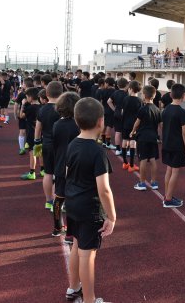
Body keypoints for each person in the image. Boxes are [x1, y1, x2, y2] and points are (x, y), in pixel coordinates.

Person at [65, 97, 116, 303]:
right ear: (100, 122)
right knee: (88, 254)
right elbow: (104, 189)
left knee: (77, 245)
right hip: (89, 208)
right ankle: (89, 299)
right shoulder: (98, 152)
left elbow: (68, 173)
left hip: (73, 204)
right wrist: (111, 216)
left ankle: (73, 287)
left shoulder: (72, 144)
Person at [51, 92, 81, 240]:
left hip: (60, 165)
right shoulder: (78, 126)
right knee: (72, 200)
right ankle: (70, 232)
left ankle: (57, 227)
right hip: (75, 166)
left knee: (59, 198)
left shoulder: (57, 125)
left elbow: (55, 146)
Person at [35, 81, 63, 211]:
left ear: (46, 94)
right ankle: (58, 200)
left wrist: (36, 142)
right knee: (60, 174)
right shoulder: (63, 109)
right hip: (61, 145)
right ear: (62, 93)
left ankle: (48, 201)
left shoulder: (42, 109)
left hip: (46, 144)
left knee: (48, 173)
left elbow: (38, 128)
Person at [161, 83, 185, 208]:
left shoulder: (166, 109)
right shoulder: (182, 112)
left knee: (169, 170)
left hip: (166, 144)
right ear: (183, 96)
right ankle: (168, 199)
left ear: (171, 94)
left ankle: (168, 195)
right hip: (177, 146)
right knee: (175, 172)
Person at [130, 85, 161, 191]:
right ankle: (154, 182)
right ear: (154, 95)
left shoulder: (142, 109)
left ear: (144, 95)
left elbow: (137, 123)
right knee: (152, 159)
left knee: (143, 159)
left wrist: (132, 131)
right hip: (153, 138)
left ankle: (142, 183)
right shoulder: (157, 109)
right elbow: (161, 125)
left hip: (142, 137)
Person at [19, 87, 41, 180]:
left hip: (32, 133)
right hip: (40, 132)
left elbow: (21, 116)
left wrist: (23, 105)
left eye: (27, 96)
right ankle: (43, 170)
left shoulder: (30, 107)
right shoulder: (42, 106)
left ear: (31, 97)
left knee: (32, 153)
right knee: (40, 152)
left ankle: (32, 172)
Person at [121, 81, 142, 171]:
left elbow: (122, 112)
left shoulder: (125, 99)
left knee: (125, 141)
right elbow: (140, 115)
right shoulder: (139, 101)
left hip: (125, 123)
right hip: (134, 125)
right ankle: (132, 165)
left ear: (131, 89)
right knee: (133, 142)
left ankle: (125, 162)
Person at [108, 77, 128, 155]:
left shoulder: (115, 93)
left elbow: (109, 101)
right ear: (126, 85)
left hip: (116, 113)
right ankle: (125, 150)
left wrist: (114, 109)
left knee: (117, 132)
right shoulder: (127, 94)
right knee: (125, 133)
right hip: (125, 114)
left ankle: (117, 149)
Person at [14, 77, 34, 154]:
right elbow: (16, 104)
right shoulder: (22, 94)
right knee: (24, 131)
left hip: (28, 114)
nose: (22, 85)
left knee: (26, 131)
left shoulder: (29, 93)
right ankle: (23, 148)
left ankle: (26, 145)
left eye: (23, 84)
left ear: (25, 85)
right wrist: (16, 114)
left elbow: (16, 104)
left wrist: (15, 114)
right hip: (25, 114)